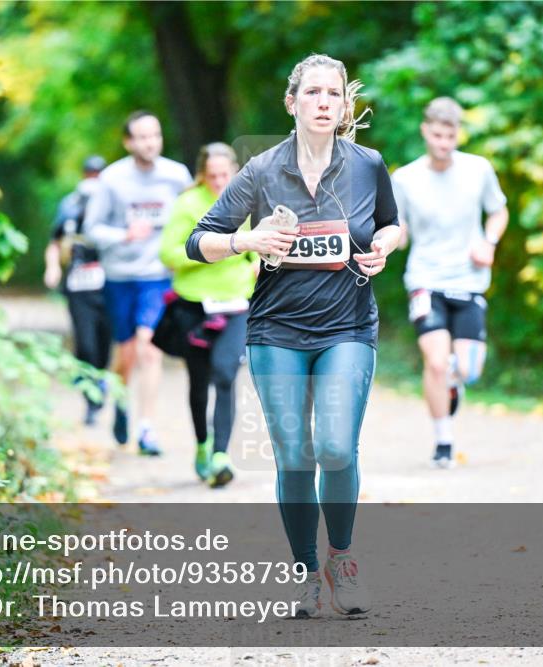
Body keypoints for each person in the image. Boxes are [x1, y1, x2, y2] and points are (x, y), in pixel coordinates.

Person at [186, 54, 402, 617]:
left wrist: (385, 246)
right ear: (293, 102)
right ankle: (304, 572)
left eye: (334, 94)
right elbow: (198, 239)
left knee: (334, 446)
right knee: (294, 455)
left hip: (347, 326)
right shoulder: (261, 170)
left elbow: (390, 221)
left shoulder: (367, 163)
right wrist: (246, 242)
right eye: (313, 93)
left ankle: (343, 560)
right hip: (276, 329)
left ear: (344, 105)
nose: (324, 102)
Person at [391, 97, 508, 469]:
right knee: (437, 363)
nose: (444, 143)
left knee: (468, 369)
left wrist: (488, 242)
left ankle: (456, 383)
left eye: (451, 135)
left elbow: (499, 211)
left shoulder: (478, 170)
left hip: (469, 280)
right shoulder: (405, 178)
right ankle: (443, 442)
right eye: (437, 135)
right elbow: (399, 229)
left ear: (459, 134)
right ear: (425, 131)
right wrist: (390, 238)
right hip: (425, 279)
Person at [84, 111, 192, 456]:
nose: (150, 143)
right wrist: (124, 235)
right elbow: (92, 229)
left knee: (149, 347)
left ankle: (147, 428)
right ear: (128, 142)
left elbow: (194, 217)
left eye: (156, 135)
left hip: (158, 275)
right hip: (120, 276)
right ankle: (120, 402)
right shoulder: (112, 179)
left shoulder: (176, 176)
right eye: (142, 137)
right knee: (126, 353)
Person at [158, 143, 257, 487]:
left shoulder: (246, 201)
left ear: (234, 172)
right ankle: (201, 444)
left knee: (226, 372)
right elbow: (168, 253)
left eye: (225, 175)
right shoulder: (187, 204)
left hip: (236, 303)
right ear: (202, 175)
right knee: (198, 383)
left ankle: (221, 454)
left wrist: (256, 261)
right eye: (212, 176)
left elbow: (256, 244)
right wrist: (207, 251)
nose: (219, 181)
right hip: (195, 306)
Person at [44, 155, 111, 425]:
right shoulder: (70, 205)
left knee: (104, 343)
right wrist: (52, 268)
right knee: (85, 343)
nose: (93, 179)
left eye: (98, 174)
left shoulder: (112, 204)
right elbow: (54, 241)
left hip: (108, 283)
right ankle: (91, 400)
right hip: (78, 284)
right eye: (90, 173)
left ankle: (101, 381)